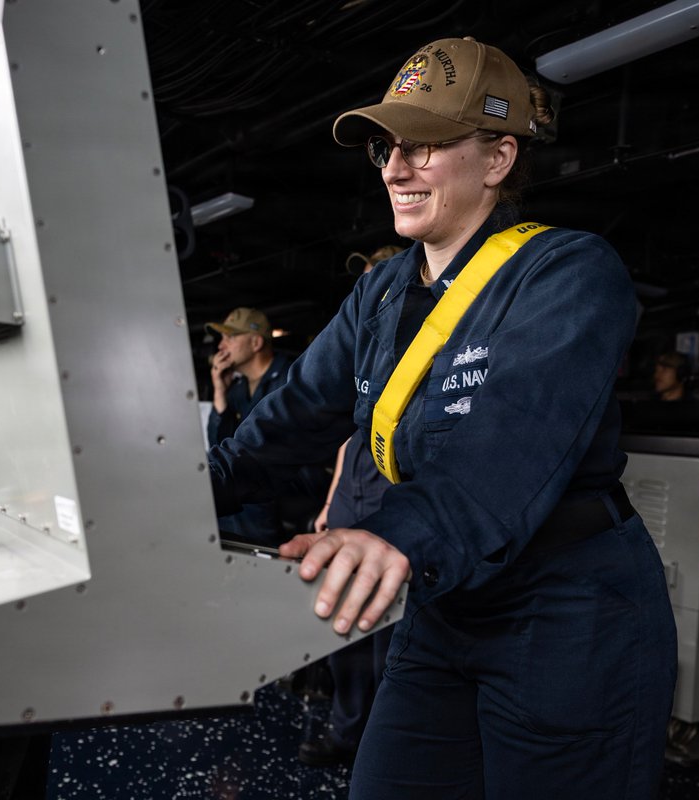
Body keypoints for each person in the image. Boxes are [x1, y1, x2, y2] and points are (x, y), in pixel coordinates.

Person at [208, 37, 675, 798]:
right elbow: (287, 421)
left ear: (498, 160)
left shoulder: (567, 272)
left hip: (566, 609)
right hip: (445, 604)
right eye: (387, 149)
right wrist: (175, 496)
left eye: (421, 146)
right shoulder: (382, 293)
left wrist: (393, 535)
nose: (394, 169)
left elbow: (508, 441)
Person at [300, 246, 400, 768]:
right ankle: (345, 733)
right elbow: (348, 431)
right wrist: (330, 499)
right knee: (342, 632)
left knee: (385, 634)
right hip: (349, 499)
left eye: (377, 281)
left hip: (389, 503)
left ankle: (381, 750)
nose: (368, 293)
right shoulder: (363, 347)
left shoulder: (425, 340)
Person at [206, 307, 296, 543]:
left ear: (256, 343)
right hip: (253, 490)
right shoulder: (237, 389)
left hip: (285, 489)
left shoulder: (291, 379)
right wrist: (219, 392)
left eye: (230, 337)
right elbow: (220, 446)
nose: (221, 346)